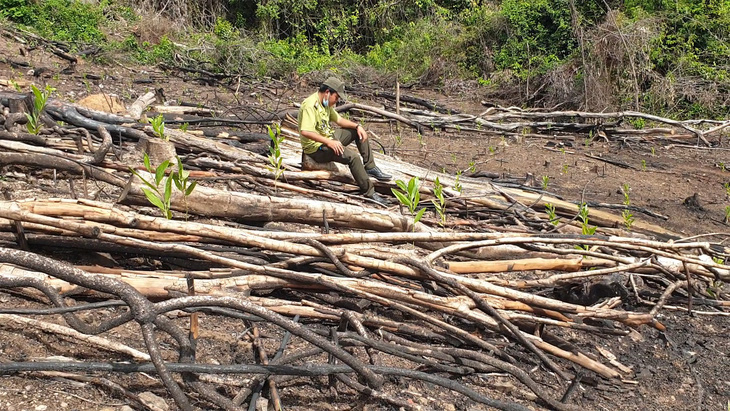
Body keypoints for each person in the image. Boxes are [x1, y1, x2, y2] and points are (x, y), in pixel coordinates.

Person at [298, 77, 392, 205]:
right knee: (353, 157)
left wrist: (357, 126)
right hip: (317, 149)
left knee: (357, 133)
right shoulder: (310, 105)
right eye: (336, 97)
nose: (336, 101)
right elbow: (305, 131)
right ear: (327, 92)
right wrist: (329, 142)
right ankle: (369, 192)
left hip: (329, 138)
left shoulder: (325, 103)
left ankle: (370, 167)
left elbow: (340, 120)